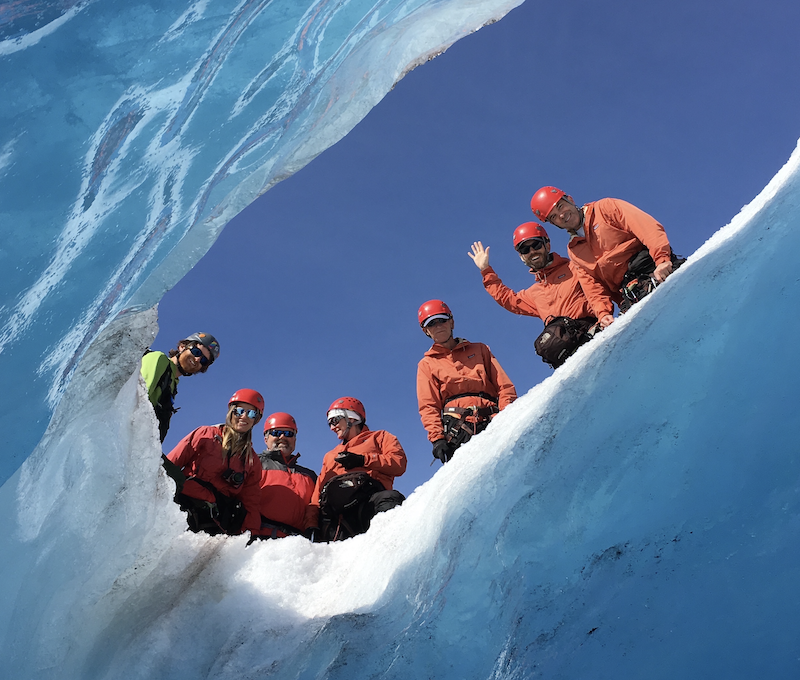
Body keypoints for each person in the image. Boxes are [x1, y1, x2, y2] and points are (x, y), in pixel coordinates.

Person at [530, 187, 684, 324]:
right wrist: (603, 314)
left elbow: (646, 227)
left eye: (561, 206)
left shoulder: (605, 208)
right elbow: (591, 285)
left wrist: (662, 260)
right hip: (630, 291)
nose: (562, 215)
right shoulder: (574, 250)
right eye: (554, 216)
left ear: (570, 199)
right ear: (554, 224)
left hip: (651, 269)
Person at [468, 223, 598, 368]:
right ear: (522, 257)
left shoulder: (574, 267)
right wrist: (486, 270)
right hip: (569, 360)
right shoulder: (534, 293)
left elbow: (603, 283)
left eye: (536, 245)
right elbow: (508, 299)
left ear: (547, 246)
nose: (532, 251)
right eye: (525, 249)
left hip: (594, 337)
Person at [416, 300, 516, 464]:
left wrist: (506, 415)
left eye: (442, 320)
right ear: (425, 330)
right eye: (432, 324)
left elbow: (504, 387)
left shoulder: (480, 349)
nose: (438, 326)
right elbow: (429, 406)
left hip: (493, 418)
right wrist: (437, 439)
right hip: (458, 429)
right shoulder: (427, 365)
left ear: (451, 321)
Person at [305, 397, 407, 542]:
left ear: (351, 418)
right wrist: (311, 523)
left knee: (391, 498)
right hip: (337, 519)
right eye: (329, 424)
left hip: (368, 505)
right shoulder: (330, 456)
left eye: (335, 421)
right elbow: (317, 495)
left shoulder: (380, 437)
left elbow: (399, 463)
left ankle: (391, 550)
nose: (332, 427)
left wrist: (363, 460)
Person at [166, 389, 264, 536]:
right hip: (181, 510)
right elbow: (170, 466)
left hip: (215, 525)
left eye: (251, 413)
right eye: (239, 411)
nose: (244, 417)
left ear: (256, 419)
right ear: (231, 411)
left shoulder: (252, 461)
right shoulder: (205, 434)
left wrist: (251, 536)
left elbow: (251, 504)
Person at [140, 332, 220, 442]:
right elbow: (136, 400)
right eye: (196, 352)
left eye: (203, 360)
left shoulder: (172, 385)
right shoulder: (159, 359)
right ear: (182, 347)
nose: (197, 359)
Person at [251, 412, 317, 540]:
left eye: (288, 433)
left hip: (298, 545)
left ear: (295, 439)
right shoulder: (254, 464)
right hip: (261, 540)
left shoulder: (310, 476)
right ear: (266, 439)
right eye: (275, 433)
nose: (282, 437)